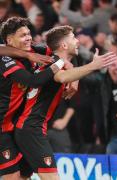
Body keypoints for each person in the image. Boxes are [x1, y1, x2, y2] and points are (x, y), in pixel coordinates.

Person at [14, 25, 117, 180]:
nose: (77, 41)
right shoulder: (53, 64)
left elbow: (65, 74)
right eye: (73, 38)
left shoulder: (52, 61)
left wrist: (74, 74)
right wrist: (93, 66)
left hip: (28, 127)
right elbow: (61, 77)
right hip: (31, 128)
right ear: (63, 45)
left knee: (22, 177)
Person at [0, 17, 72, 180]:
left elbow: (59, 52)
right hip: (2, 128)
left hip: (16, 126)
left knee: (24, 175)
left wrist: (74, 75)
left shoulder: (34, 51)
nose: (29, 38)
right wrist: (61, 63)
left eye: (29, 33)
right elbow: (34, 81)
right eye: (23, 35)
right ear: (10, 40)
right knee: (12, 176)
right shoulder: (4, 60)